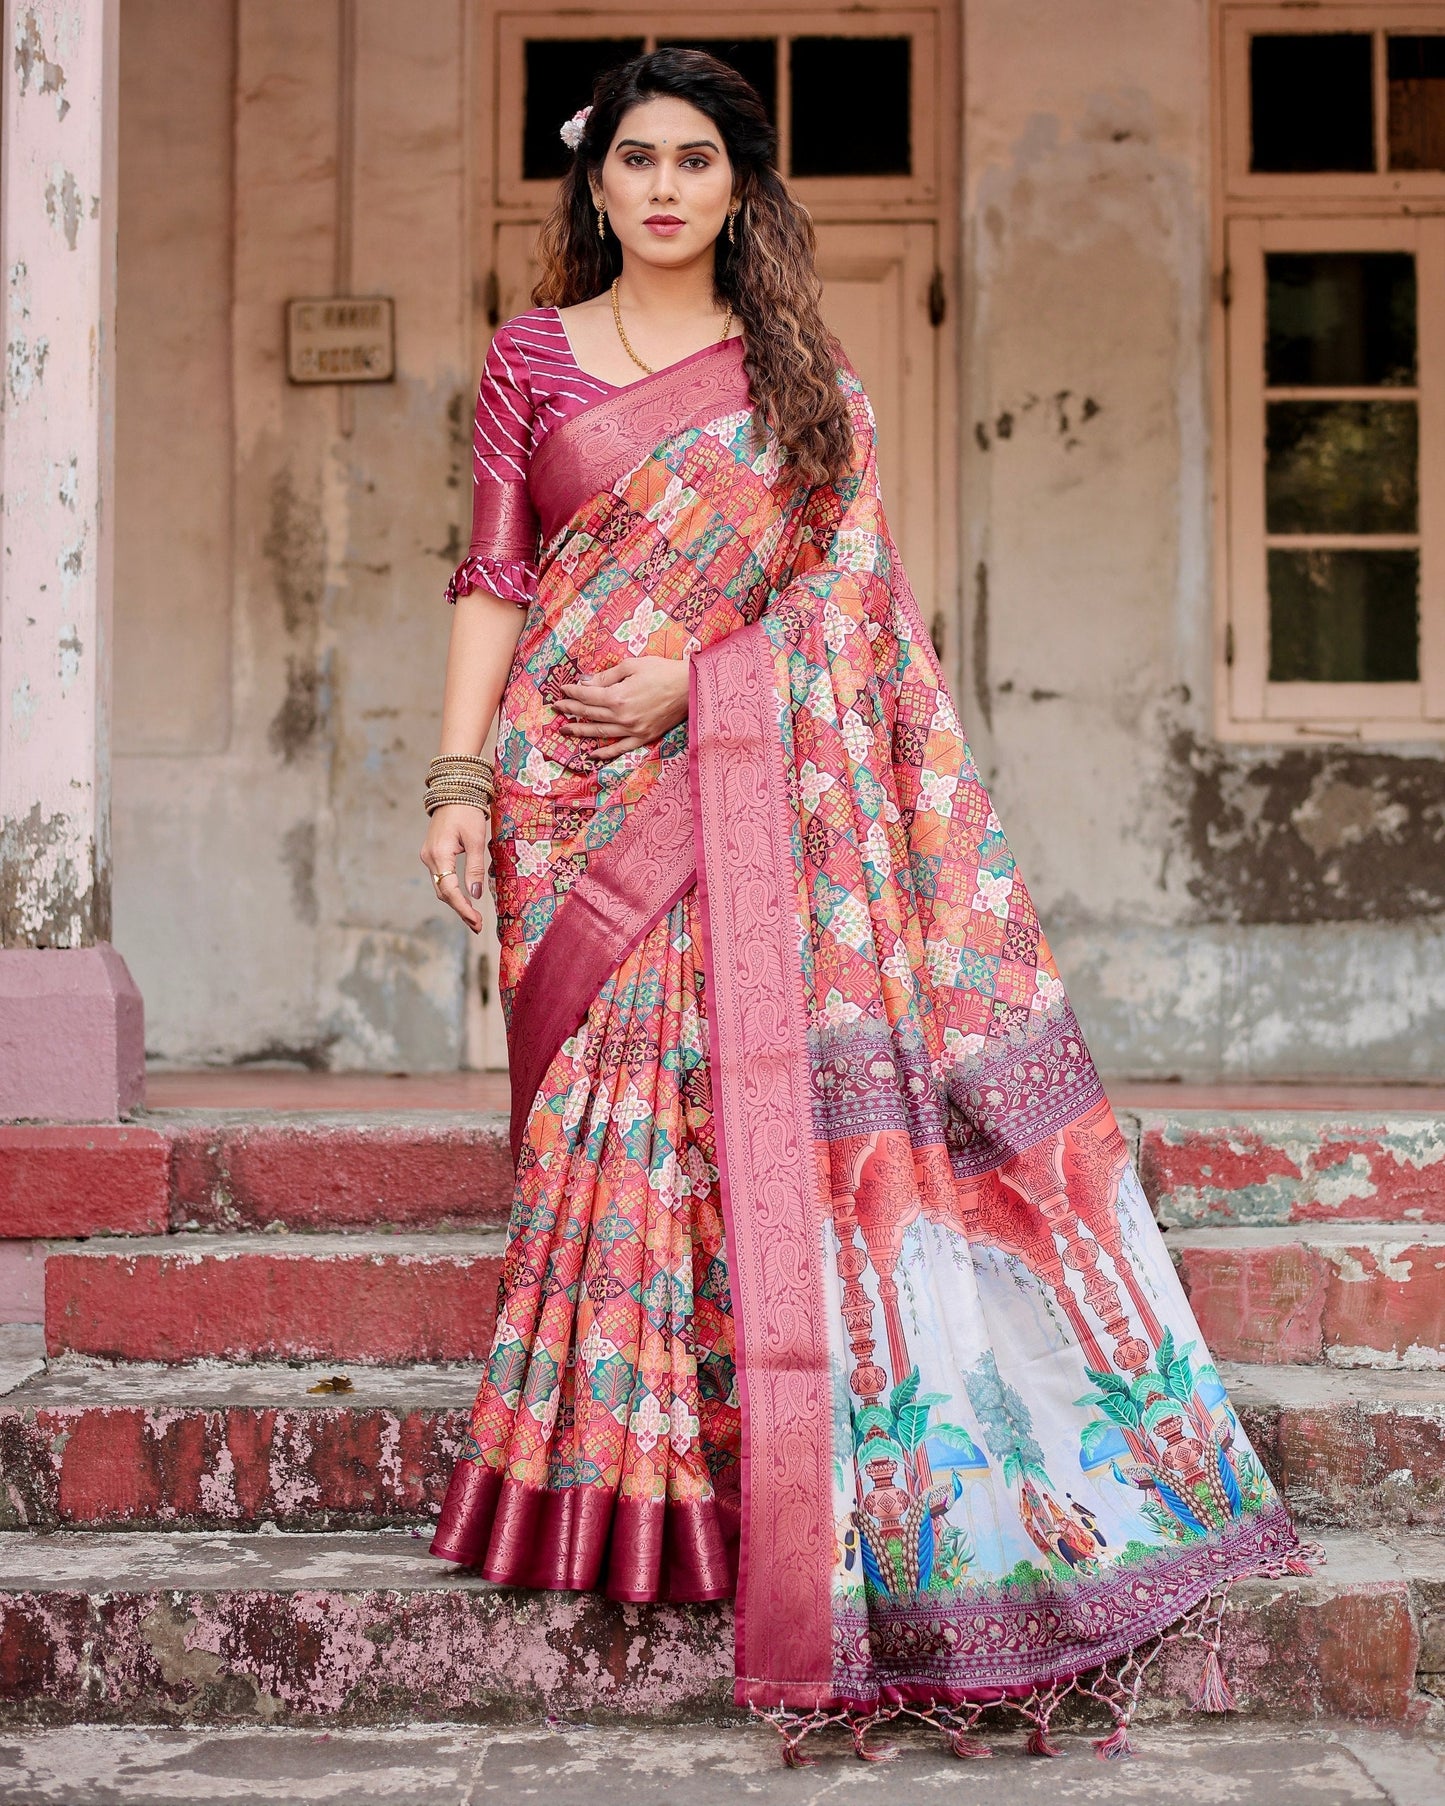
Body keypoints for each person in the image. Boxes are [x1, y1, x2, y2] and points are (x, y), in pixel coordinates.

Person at [422, 47, 1312, 1763]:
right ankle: (601, 1494)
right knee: (597, 1131)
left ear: (738, 187)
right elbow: (494, 575)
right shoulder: (527, 358)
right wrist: (457, 780)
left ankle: (734, 1494)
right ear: (592, 181)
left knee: (717, 1125)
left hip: (725, 785)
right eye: (636, 160)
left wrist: (698, 680)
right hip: (561, 790)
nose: (663, 188)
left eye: (695, 161)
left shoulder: (802, 381)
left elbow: (851, 615)